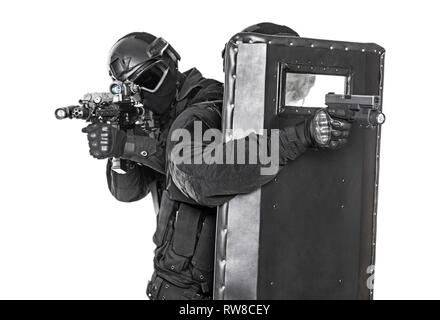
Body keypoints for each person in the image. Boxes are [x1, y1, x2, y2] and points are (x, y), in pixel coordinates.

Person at [82, 23, 352, 300]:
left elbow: (197, 173)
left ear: (171, 63)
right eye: (134, 89)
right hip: (175, 279)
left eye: (150, 79)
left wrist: (129, 145)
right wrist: (120, 150)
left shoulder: (210, 105)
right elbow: (127, 192)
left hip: (212, 283)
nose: (145, 93)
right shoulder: (152, 119)